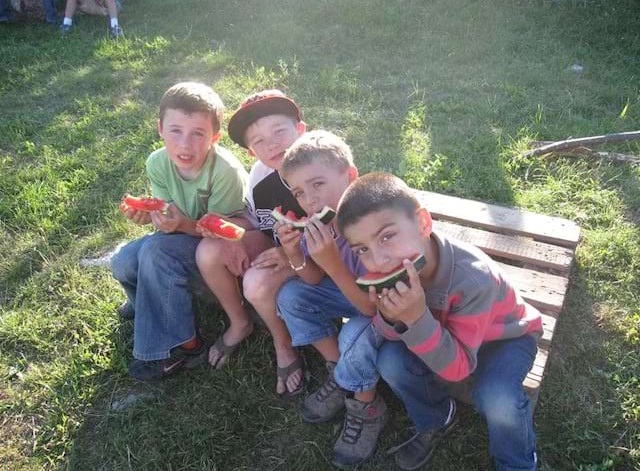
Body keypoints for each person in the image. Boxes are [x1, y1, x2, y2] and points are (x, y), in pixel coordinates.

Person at [335, 172, 543, 471]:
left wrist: (416, 317)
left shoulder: (474, 280)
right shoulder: (396, 271)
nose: (379, 260)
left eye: (387, 236)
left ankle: (518, 462)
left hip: (505, 337)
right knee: (390, 360)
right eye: (363, 250)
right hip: (443, 334)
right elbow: (394, 334)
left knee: (497, 397)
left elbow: (457, 370)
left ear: (422, 223)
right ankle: (437, 417)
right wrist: (393, 317)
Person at [111, 82, 248, 381]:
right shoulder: (157, 162)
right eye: (175, 131)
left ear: (214, 137)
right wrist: (149, 218)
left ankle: (183, 345)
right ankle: (145, 305)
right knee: (121, 261)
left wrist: (181, 225)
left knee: (155, 251)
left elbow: (222, 235)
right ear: (160, 128)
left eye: (197, 134)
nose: (185, 145)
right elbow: (166, 210)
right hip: (180, 238)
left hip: (213, 252)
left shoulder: (226, 171)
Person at [275, 130, 386, 468]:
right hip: (347, 292)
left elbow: (370, 307)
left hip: (383, 307)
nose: (309, 200)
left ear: (350, 176)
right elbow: (310, 278)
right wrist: (294, 252)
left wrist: (332, 262)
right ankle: (340, 373)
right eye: (299, 192)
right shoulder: (317, 225)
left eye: (318, 184)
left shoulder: (373, 221)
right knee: (291, 295)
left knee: (353, 335)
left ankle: (367, 405)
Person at [195, 89, 307, 398]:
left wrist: (293, 254)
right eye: (257, 141)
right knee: (210, 250)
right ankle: (239, 323)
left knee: (256, 283)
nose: (270, 144)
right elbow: (259, 225)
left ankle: (283, 346)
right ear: (250, 152)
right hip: (281, 247)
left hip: (326, 257)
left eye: (279, 131)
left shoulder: (322, 164)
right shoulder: (259, 176)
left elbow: (346, 231)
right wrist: (226, 228)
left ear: (301, 130)